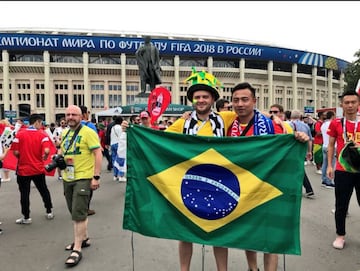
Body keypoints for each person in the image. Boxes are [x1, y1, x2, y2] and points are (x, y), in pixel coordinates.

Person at [228, 83, 309, 271]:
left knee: (270, 236)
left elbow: (289, 143)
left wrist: (300, 138)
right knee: (249, 233)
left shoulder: (272, 126)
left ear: (254, 101)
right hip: (243, 189)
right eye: (236, 100)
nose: (240, 104)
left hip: (269, 187)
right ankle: (252, 268)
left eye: (245, 99)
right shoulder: (227, 125)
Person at [165, 69, 234, 271]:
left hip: (218, 184)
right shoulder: (183, 122)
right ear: (192, 100)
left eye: (205, 96)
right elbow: (161, 141)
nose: (201, 100)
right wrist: (135, 131)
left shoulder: (226, 118)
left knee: (218, 231)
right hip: (190, 183)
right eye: (197, 97)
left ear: (213, 98)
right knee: (185, 232)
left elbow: (254, 117)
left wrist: (281, 124)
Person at [60, 105, 102, 267]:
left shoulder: (88, 132)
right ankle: (84, 239)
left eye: (74, 114)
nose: (70, 117)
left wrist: (96, 176)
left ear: (81, 116)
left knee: (78, 213)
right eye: (68, 114)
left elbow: (98, 153)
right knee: (74, 210)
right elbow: (63, 153)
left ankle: (77, 248)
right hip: (68, 177)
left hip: (83, 177)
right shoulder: (65, 133)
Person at [327, 91, 360, 250]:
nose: (350, 105)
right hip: (343, 169)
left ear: (358, 104)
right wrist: (330, 165)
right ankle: (340, 235)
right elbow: (332, 144)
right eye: (346, 102)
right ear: (342, 105)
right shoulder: (336, 123)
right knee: (341, 205)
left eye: (353, 102)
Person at [10, 114, 54, 224]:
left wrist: (21, 157)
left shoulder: (19, 134)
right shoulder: (42, 135)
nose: (42, 125)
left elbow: (15, 152)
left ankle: (26, 217)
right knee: (43, 190)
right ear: (37, 122)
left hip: (23, 169)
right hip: (38, 168)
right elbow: (47, 151)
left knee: (24, 193)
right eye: (41, 123)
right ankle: (49, 211)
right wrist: (44, 157)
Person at [289, 110, 315, 199]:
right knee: (299, 169)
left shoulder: (289, 124)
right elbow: (310, 139)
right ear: (300, 116)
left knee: (297, 170)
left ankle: (306, 189)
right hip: (302, 151)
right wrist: (309, 151)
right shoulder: (306, 126)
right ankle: (308, 189)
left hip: (291, 151)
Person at [79, 105, 98, 216]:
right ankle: (85, 207)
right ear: (85, 114)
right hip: (88, 160)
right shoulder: (90, 126)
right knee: (88, 185)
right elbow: (96, 144)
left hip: (75, 160)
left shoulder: (71, 127)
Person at [320, 111, 336, 188]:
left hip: (324, 145)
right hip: (331, 146)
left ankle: (324, 179)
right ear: (332, 116)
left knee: (325, 164)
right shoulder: (332, 124)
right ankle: (329, 182)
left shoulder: (323, 124)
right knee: (331, 165)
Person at [110, 116, 126, 182]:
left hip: (112, 144)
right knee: (120, 159)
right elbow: (122, 136)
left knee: (114, 160)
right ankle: (121, 175)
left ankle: (115, 175)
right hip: (118, 144)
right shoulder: (120, 128)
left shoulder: (112, 127)